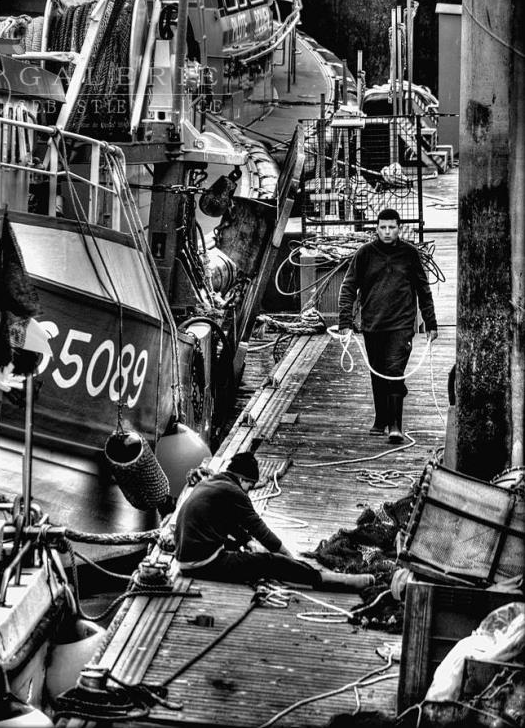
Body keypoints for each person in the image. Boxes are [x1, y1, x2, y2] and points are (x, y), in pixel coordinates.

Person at [174, 451, 373, 589]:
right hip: (203, 563)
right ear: (242, 480)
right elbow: (262, 532)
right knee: (268, 562)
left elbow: (230, 523)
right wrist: (288, 558)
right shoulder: (235, 493)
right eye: (250, 486)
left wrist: (246, 541)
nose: (249, 491)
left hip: (185, 558)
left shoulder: (212, 483)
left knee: (248, 552)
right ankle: (324, 579)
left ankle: (308, 572)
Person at [337, 207, 438, 443]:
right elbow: (349, 287)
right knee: (378, 372)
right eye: (383, 227)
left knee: (394, 372)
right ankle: (381, 418)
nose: (387, 232)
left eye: (392, 227)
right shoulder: (364, 254)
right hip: (373, 324)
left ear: (399, 229)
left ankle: (395, 426)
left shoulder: (410, 254)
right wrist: (345, 321)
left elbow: (423, 289)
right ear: (376, 229)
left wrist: (431, 322)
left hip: (401, 324)